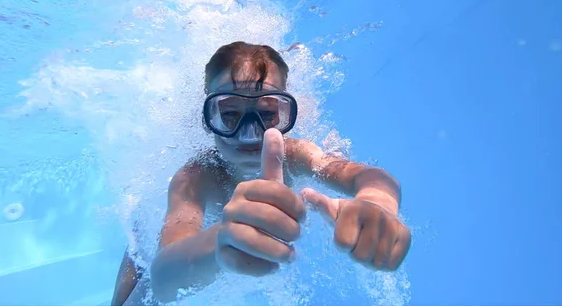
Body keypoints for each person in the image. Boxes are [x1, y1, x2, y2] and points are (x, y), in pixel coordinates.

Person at [111, 41, 411, 305]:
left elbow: (369, 177)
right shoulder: (194, 178)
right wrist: (217, 243)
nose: (250, 134)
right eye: (229, 114)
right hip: (151, 234)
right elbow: (164, 277)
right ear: (208, 120)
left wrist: (377, 203)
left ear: (284, 115)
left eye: (267, 114)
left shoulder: (297, 155)